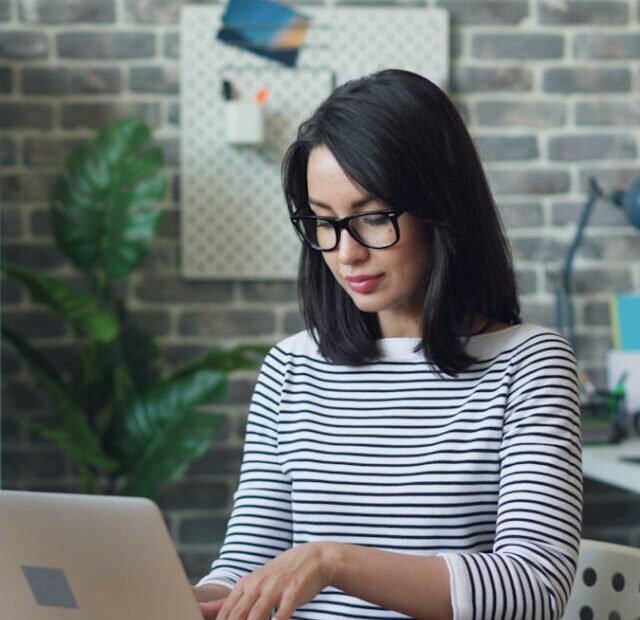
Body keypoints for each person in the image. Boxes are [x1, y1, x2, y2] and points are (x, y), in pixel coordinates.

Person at [193, 69, 582, 620]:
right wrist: (178, 600)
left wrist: (333, 561)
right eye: (323, 222)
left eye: (372, 218)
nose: (345, 253)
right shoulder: (292, 368)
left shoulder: (528, 364)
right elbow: (248, 568)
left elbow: (532, 590)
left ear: (440, 210)